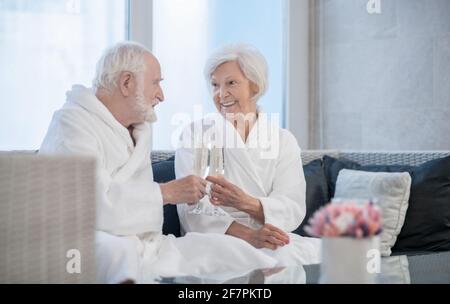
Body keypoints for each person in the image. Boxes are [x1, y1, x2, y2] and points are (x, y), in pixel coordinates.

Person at [39, 41, 278, 283]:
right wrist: (167, 193)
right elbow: (92, 207)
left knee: (234, 252)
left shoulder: (137, 131)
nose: (161, 96)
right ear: (126, 83)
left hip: (147, 245)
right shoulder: (72, 125)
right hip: (86, 246)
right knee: (120, 254)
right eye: (156, 83)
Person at [175, 44, 321, 266]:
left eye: (231, 83)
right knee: (252, 259)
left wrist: (248, 204)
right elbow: (192, 209)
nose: (221, 94)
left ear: (255, 87)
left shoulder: (283, 140)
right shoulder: (196, 133)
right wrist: (249, 236)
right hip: (217, 239)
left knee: (316, 254)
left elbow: (292, 205)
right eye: (215, 85)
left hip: (269, 236)